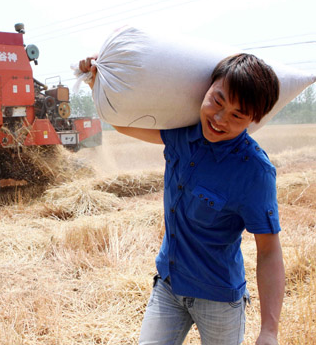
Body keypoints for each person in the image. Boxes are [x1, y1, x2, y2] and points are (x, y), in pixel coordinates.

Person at [79, 53, 285, 345]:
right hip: (168, 286)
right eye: (217, 100)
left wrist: (269, 331)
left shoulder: (254, 171)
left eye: (237, 115)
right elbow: (124, 123)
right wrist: (98, 81)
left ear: (254, 119)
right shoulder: (181, 134)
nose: (219, 119)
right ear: (207, 89)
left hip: (219, 299)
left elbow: (269, 252)